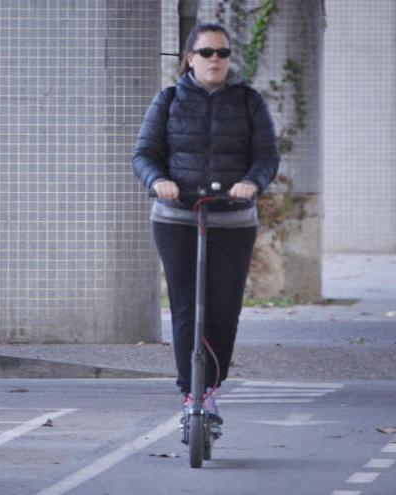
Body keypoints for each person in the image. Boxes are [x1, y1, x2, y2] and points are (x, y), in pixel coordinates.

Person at [132, 24, 280, 419]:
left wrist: (251, 182)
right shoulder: (168, 101)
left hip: (233, 219)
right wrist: (159, 180)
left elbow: (267, 156)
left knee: (223, 307)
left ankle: (211, 388)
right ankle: (189, 392)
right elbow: (144, 154)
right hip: (178, 216)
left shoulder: (249, 101)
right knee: (186, 307)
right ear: (190, 58)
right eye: (207, 52)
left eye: (223, 53)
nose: (216, 59)